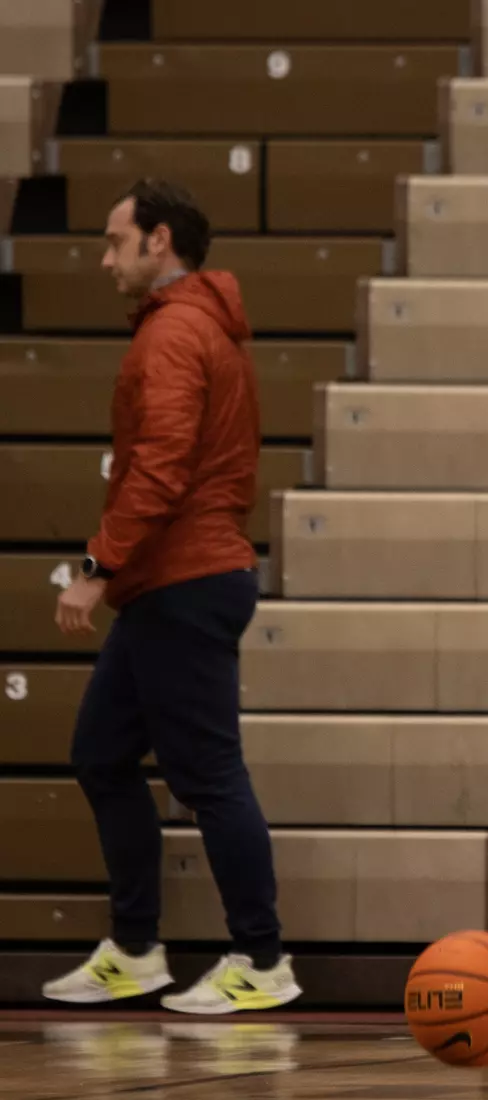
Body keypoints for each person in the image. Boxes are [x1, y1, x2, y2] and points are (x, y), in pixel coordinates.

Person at [43, 180, 301, 1015]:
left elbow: (161, 462)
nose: (105, 255)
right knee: (102, 755)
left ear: (160, 241)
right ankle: (135, 949)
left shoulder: (175, 333)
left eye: (116, 240)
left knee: (209, 774)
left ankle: (261, 960)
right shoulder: (192, 325)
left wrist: (97, 565)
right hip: (173, 581)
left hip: (183, 578)